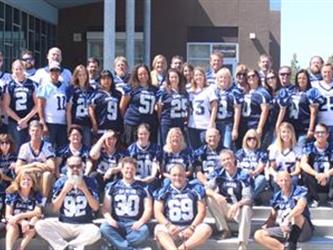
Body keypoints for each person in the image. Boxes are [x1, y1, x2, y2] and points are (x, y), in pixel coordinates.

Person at [35, 156, 101, 250]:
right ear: (67, 167)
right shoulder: (61, 182)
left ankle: (71, 247)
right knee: (40, 225)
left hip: (84, 224)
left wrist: (84, 189)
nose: (75, 169)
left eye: (78, 166)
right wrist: (64, 191)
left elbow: (96, 207)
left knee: (96, 232)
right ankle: (63, 247)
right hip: (63, 223)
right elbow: (54, 208)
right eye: (72, 166)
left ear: (83, 166)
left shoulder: (90, 181)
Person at [154, 164, 212, 250]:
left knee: (206, 229)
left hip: (190, 227)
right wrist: (169, 226)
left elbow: (202, 211)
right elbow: (157, 212)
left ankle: (182, 248)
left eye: (180, 175)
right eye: (174, 175)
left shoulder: (195, 189)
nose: (177, 178)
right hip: (172, 229)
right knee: (159, 229)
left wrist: (192, 228)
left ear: (185, 175)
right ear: (170, 176)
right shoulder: (163, 191)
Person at [100, 157, 152, 250]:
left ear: (136, 170)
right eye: (127, 168)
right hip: (118, 224)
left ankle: (117, 245)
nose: (129, 171)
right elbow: (105, 208)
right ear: (122, 170)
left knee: (144, 231)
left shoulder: (143, 187)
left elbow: (148, 208)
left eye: (132, 169)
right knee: (104, 227)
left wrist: (141, 221)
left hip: (134, 225)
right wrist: (110, 219)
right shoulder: (112, 186)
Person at [206, 149, 253, 250]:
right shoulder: (219, 173)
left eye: (228, 158)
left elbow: (248, 198)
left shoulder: (243, 174)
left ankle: (242, 244)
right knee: (210, 198)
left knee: (246, 208)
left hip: (239, 210)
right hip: (226, 207)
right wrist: (216, 195)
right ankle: (225, 230)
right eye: (223, 160)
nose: (226, 162)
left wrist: (237, 205)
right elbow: (205, 189)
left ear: (234, 159)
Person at [254, 171, 313, 250]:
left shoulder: (299, 190)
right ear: (277, 182)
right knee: (258, 235)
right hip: (285, 229)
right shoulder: (277, 196)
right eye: (281, 180)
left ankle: (291, 246)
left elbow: (300, 207)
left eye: (286, 180)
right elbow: (272, 218)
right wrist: (265, 226)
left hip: (303, 230)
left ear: (291, 180)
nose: (284, 183)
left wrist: (288, 218)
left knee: (297, 216)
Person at [277, 69, 323, 148]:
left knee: (301, 149)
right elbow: (283, 108)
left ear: (307, 79)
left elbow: (313, 112)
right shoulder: (291, 91)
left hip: (304, 128)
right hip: (291, 127)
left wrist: (311, 129)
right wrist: (278, 125)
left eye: (304, 78)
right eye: (299, 78)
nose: (301, 80)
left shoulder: (311, 92)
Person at [3, 60, 38, 149]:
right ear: (12, 70)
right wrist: (19, 120)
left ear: (24, 69)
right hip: (15, 121)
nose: (18, 71)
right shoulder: (9, 85)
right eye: (16, 69)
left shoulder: (32, 84)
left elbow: (37, 104)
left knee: (33, 144)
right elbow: (6, 106)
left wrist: (26, 119)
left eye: (20, 69)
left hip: (30, 119)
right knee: (17, 146)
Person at [121, 64, 158, 145]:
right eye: (140, 74)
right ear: (136, 75)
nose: (143, 76)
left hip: (149, 123)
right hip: (133, 123)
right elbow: (122, 106)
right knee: (132, 148)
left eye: (145, 73)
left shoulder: (155, 89)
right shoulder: (131, 87)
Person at [16, 120, 55, 197]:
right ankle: (24, 200)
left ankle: (42, 202)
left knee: (47, 175)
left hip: (42, 177)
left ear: (41, 132)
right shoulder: (24, 147)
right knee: (23, 174)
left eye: (37, 130)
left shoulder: (47, 146)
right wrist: (36, 164)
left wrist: (30, 167)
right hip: (29, 176)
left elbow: (52, 167)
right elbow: (17, 169)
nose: (35, 133)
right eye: (32, 130)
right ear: (29, 132)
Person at [5, 171, 43, 250]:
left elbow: (38, 212)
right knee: (12, 225)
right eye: (23, 179)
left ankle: (21, 248)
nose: (26, 181)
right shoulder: (12, 193)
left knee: (35, 220)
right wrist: (21, 221)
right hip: (15, 223)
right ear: (19, 181)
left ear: (33, 183)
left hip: (29, 224)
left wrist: (20, 216)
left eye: (29, 179)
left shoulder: (37, 194)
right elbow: (7, 215)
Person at [37, 61, 70, 151]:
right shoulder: (45, 86)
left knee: (62, 150)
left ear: (60, 72)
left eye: (57, 71)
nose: (55, 73)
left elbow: (67, 106)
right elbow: (40, 105)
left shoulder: (64, 86)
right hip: (49, 122)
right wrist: (43, 122)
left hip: (62, 123)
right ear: (49, 72)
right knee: (48, 150)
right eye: (52, 71)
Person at [301, 123, 333, 208]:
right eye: (317, 132)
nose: (320, 134)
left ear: (327, 134)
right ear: (314, 135)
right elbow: (303, 163)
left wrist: (326, 174)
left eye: (322, 132)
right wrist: (317, 174)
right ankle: (314, 199)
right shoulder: (309, 146)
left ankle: (331, 199)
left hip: (329, 180)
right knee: (305, 172)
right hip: (314, 179)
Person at [157, 68, 189, 145]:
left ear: (179, 78)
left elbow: (187, 108)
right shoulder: (164, 91)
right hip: (167, 122)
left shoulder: (184, 92)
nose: (174, 79)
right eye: (171, 77)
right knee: (166, 145)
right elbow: (159, 108)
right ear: (168, 79)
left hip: (180, 122)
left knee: (179, 145)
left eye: (176, 77)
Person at [187, 67, 218, 149]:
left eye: (200, 75)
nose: (198, 77)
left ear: (204, 76)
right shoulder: (190, 91)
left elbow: (214, 106)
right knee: (194, 150)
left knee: (204, 149)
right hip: (192, 125)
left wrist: (211, 122)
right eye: (196, 75)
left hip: (205, 125)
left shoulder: (209, 89)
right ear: (193, 77)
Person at [88, 69, 123, 139]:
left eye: (108, 78)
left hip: (114, 129)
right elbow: (90, 108)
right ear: (100, 81)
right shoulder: (96, 94)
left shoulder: (118, 94)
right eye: (103, 79)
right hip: (101, 128)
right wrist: (94, 123)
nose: (106, 81)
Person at [268, 122, 301, 193]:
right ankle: (277, 199)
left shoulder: (297, 148)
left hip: (291, 175)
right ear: (279, 133)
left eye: (288, 132)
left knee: (294, 180)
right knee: (275, 181)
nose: (286, 134)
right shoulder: (274, 148)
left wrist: (288, 176)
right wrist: (277, 175)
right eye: (283, 132)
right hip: (278, 175)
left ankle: (291, 198)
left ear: (292, 133)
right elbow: (271, 168)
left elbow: (298, 170)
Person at [67, 64, 95, 147]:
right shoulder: (72, 89)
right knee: (75, 145)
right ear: (76, 76)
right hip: (76, 122)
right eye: (80, 75)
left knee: (87, 146)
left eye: (84, 74)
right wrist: (69, 125)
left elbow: (91, 108)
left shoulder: (91, 90)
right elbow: (68, 110)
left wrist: (94, 124)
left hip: (86, 123)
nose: (82, 77)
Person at [214, 67, 243, 149]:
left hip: (228, 124)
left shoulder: (234, 92)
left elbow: (237, 111)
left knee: (227, 147)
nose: (223, 79)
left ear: (229, 79)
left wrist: (235, 128)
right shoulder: (214, 91)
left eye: (225, 77)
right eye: (220, 77)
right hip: (216, 123)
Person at [236, 129, 268, 201]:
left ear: (257, 140)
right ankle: (248, 199)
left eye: (254, 138)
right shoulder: (240, 152)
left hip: (254, 179)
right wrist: (245, 173)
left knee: (262, 179)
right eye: (249, 139)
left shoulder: (261, 153)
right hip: (242, 178)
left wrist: (254, 173)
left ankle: (247, 199)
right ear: (245, 140)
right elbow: (237, 166)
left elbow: (261, 166)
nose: (252, 141)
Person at [126, 123, 161, 188]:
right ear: (137, 134)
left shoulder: (155, 148)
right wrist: (134, 177)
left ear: (149, 134)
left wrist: (152, 176)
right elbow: (128, 166)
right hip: (135, 179)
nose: (143, 136)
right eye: (141, 134)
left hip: (151, 180)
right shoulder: (131, 149)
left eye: (145, 134)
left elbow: (155, 163)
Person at [240, 69, 270, 142]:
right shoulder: (245, 92)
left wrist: (260, 127)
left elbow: (265, 110)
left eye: (253, 75)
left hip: (255, 125)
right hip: (245, 125)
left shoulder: (262, 92)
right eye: (248, 76)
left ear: (257, 77)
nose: (251, 78)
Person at [261, 70, 283, 148]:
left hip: (279, 124)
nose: (270, 80)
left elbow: (283, 109)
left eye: (272, 77)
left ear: (277, 78)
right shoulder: (267, 92)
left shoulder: (282, 92)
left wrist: (277, 125)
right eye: (268, 78)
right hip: (268, 125)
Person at [312, 63, 333, 140]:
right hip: (321, 124)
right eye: (324, 72)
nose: (327, 74)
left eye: (329, 72)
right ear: (321, 72)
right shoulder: (314, 85)